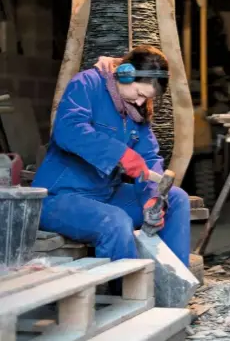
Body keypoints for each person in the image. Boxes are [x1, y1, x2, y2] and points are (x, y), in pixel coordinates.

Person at [33, 45, 191, 266]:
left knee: (176, 199)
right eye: (139, 94)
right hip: (60, 198)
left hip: (105, 194)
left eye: (146, 98)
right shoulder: (87, 84)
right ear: (125, 75)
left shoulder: (135, 109)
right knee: (115, 222)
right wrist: (120, 154)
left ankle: (171, 288)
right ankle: (128, 296)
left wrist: (153, 197)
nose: (140, 102)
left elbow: (148, 158)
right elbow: (68, 129)